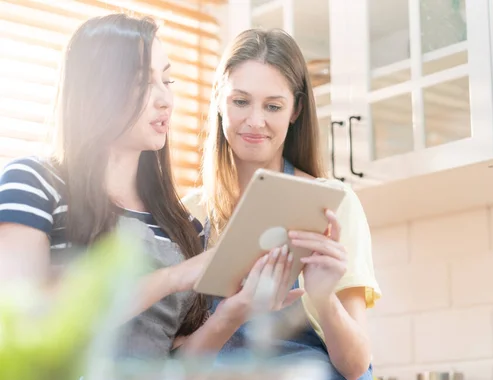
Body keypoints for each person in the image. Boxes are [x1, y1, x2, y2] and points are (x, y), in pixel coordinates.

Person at [0, 14, 299, 360]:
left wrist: (234, 312)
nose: (166, 100)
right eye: (143, 83)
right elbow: (22, 325)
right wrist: (173, 277)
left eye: (167, 81)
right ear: (96, 89)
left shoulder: (182, 226)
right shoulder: (32, 184)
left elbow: (176, 370)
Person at [181, 28, 383, 380]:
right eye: (241, 101)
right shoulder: (188, 214)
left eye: (273, 106)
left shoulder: (334, 202)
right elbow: (177, 364)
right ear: (219, 101)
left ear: (296, 110)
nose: (255, 121)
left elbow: (355, 365)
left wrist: (323, 297)